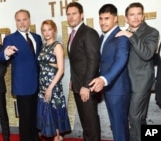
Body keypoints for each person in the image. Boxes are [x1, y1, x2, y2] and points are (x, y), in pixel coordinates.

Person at [115, 2, 159, 141]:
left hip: (142, 81)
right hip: (126, 81)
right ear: (126, 18)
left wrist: (130, 35)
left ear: (143, 16)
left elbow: (146, 54)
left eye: (138, 14)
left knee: (134, 117)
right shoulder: (123, 33)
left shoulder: (152, 32)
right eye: (132, 15)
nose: (135, 17)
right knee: (139, 118)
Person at [0, 9, 43, 141]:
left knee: (35, 115)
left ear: (29, 20)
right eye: (18, 20)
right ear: (15, 22)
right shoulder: (10, 39)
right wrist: (6, 53)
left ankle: (35, 137)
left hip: (37, 85)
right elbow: (2, 58)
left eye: (24, 19)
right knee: (25, 118)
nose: (22, 23)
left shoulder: (37, 38)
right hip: (22, 86)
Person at [89, 4, 131, 141]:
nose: (102, 22)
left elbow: (121, 60)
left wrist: (104, 79)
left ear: (115, 19)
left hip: (118, 89)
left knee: (120, 127)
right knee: (115, 126)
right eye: (100, 18)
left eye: (107, 18)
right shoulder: (102, 38)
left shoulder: (121, 37)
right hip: (109, 89)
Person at [66, 2, 101, 141]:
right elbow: (77, 61)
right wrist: (72, 80)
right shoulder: (73, 34)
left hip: (87, 87)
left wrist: (86, 86)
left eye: (74, 14)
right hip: (77, 85)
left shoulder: (89, 33)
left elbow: (93, 60)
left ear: (82, 15)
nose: (71, 17)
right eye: (68, 14)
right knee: (86, 124)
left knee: (91, 126)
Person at [36, 19, 71, 141]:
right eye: (44, 30)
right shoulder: (43, 46)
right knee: (48, 114)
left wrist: (50, 88)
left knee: (54, 115)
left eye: (49, 29)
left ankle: (58, 138)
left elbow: (61, 70)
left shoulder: (57, 46)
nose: (47, 32)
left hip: (53, 86)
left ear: (54, 31)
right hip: (43, 86)